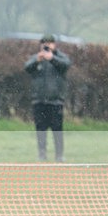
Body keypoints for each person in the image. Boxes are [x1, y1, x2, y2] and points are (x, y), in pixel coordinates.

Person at [24, 34, 72, 162]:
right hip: (39, 100)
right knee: (41, 129)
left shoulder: (60, 57)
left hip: (56, 101)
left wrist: (52, 59)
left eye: (49, 43)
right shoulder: (37, 58)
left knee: (57, 129)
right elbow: (27, 67)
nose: (46, 45)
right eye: (44, 43)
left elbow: (66, 65)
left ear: (54, 44)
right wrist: (37, 60)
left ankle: (59, 155)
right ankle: (42, 154)